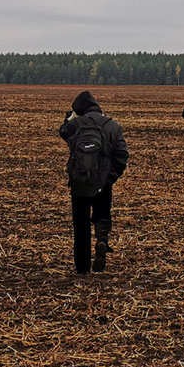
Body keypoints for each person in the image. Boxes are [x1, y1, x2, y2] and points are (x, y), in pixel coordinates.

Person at [59, 91, 129, 274]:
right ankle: (102, 240)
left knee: (80, 225)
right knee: (102, 215)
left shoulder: (75, 125)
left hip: (79, 181)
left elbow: (63, 132)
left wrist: (69, 119)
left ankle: (82, 268)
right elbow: (122, 155)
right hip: (103, 181)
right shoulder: (112, 126)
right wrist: (110, 177)